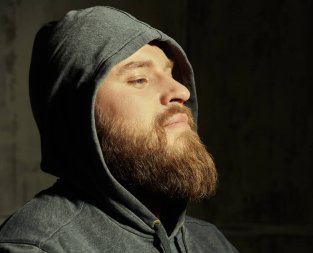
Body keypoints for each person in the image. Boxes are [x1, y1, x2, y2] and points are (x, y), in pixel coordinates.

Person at [0, 6, 238, 252]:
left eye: (172, 74)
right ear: (80, 113)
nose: (182, 92)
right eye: (139, 79)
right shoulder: (40, 247)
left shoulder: (210, 242)